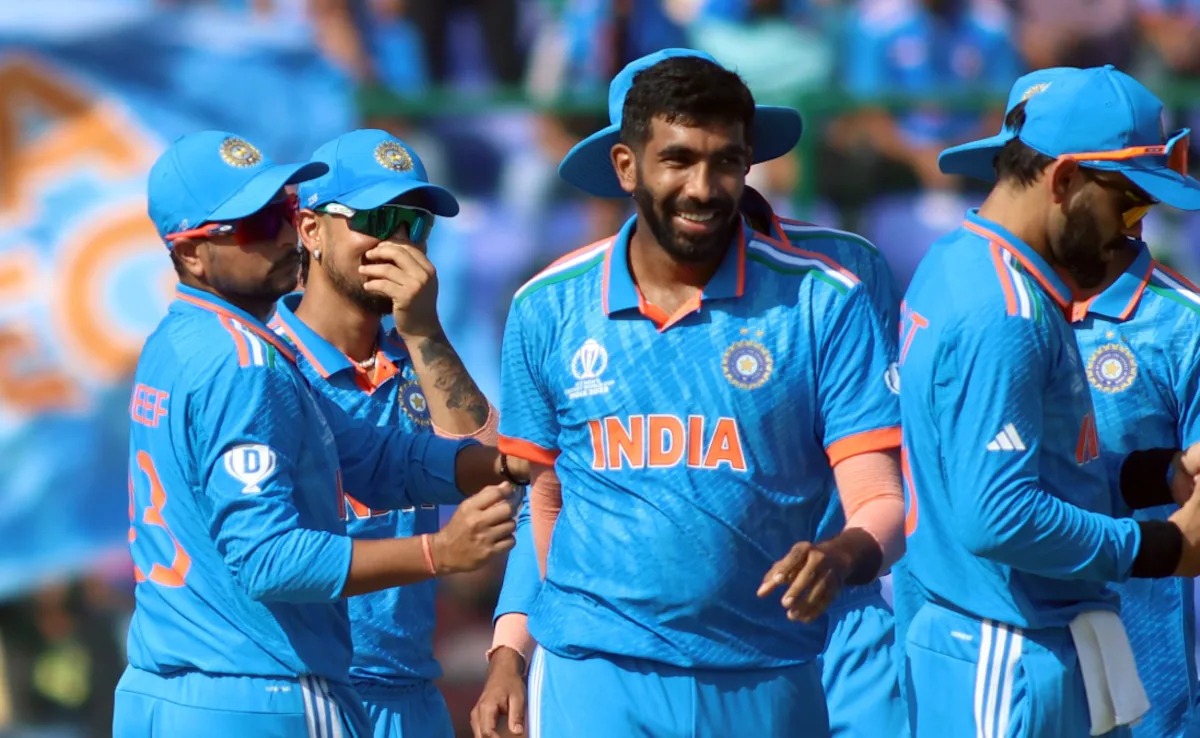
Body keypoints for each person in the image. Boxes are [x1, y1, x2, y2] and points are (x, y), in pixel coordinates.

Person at [495, 48, 906, 737]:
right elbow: (546, 494)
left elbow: (882, 499)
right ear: (625, 164)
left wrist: (840, 558)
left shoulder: (829, 293)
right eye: (678, 160)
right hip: (594, 672)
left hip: (773, 661)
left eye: (725, 162)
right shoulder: (546, 304)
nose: (703, 187)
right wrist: (520, 643)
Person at [116, 130, 525, 737]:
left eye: (414, 225)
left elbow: (373, 460)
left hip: (194, 685)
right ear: (193, 254)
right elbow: (267, 559)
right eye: (258, 226)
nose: (282, 235)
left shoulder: (186, 341)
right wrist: (439, 552)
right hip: (259, 687)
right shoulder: (247, 362)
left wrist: (502, 463)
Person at [899, 65, 1200, 737]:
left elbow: (1032, 469)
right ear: (1063, 181)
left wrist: (1156, 476)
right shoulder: (1005, 309)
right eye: (1129, 204)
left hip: (1003, 641)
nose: (1134, 233)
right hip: (1005, 650)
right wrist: (1160, 546)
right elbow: (998, 516)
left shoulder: (958, 262)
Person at [272, 128, 512, 738]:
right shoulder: (265, 360)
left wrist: (424, 332)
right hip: (300, 689)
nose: (397, 242)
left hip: (408, 692)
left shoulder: (423, 355)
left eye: (414, 224)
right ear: (310, 230)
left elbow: (492, 478)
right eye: (376, 219)